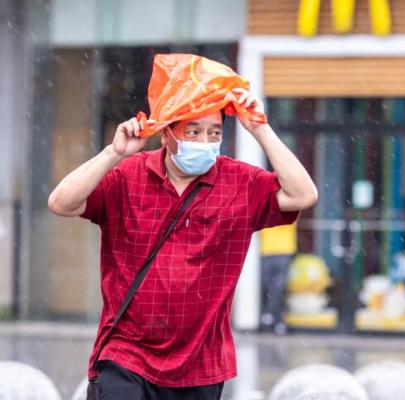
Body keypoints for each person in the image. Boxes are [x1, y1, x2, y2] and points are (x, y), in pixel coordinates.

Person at [47, 56, 318, 399]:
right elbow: (61, 203)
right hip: (125, 355)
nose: (205, 142)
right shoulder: (129, 176)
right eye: (193, 131)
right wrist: (112, 154)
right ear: (166, 132)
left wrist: (260, 128)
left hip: (200, 365)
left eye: (214, 132)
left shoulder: (239, 183)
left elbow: (303, 194)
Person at [259, 222, 297, 335]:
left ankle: (268, 313)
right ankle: (278, 320)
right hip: (268, 251)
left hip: (283, 251)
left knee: (278, 287)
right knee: (269, 287)